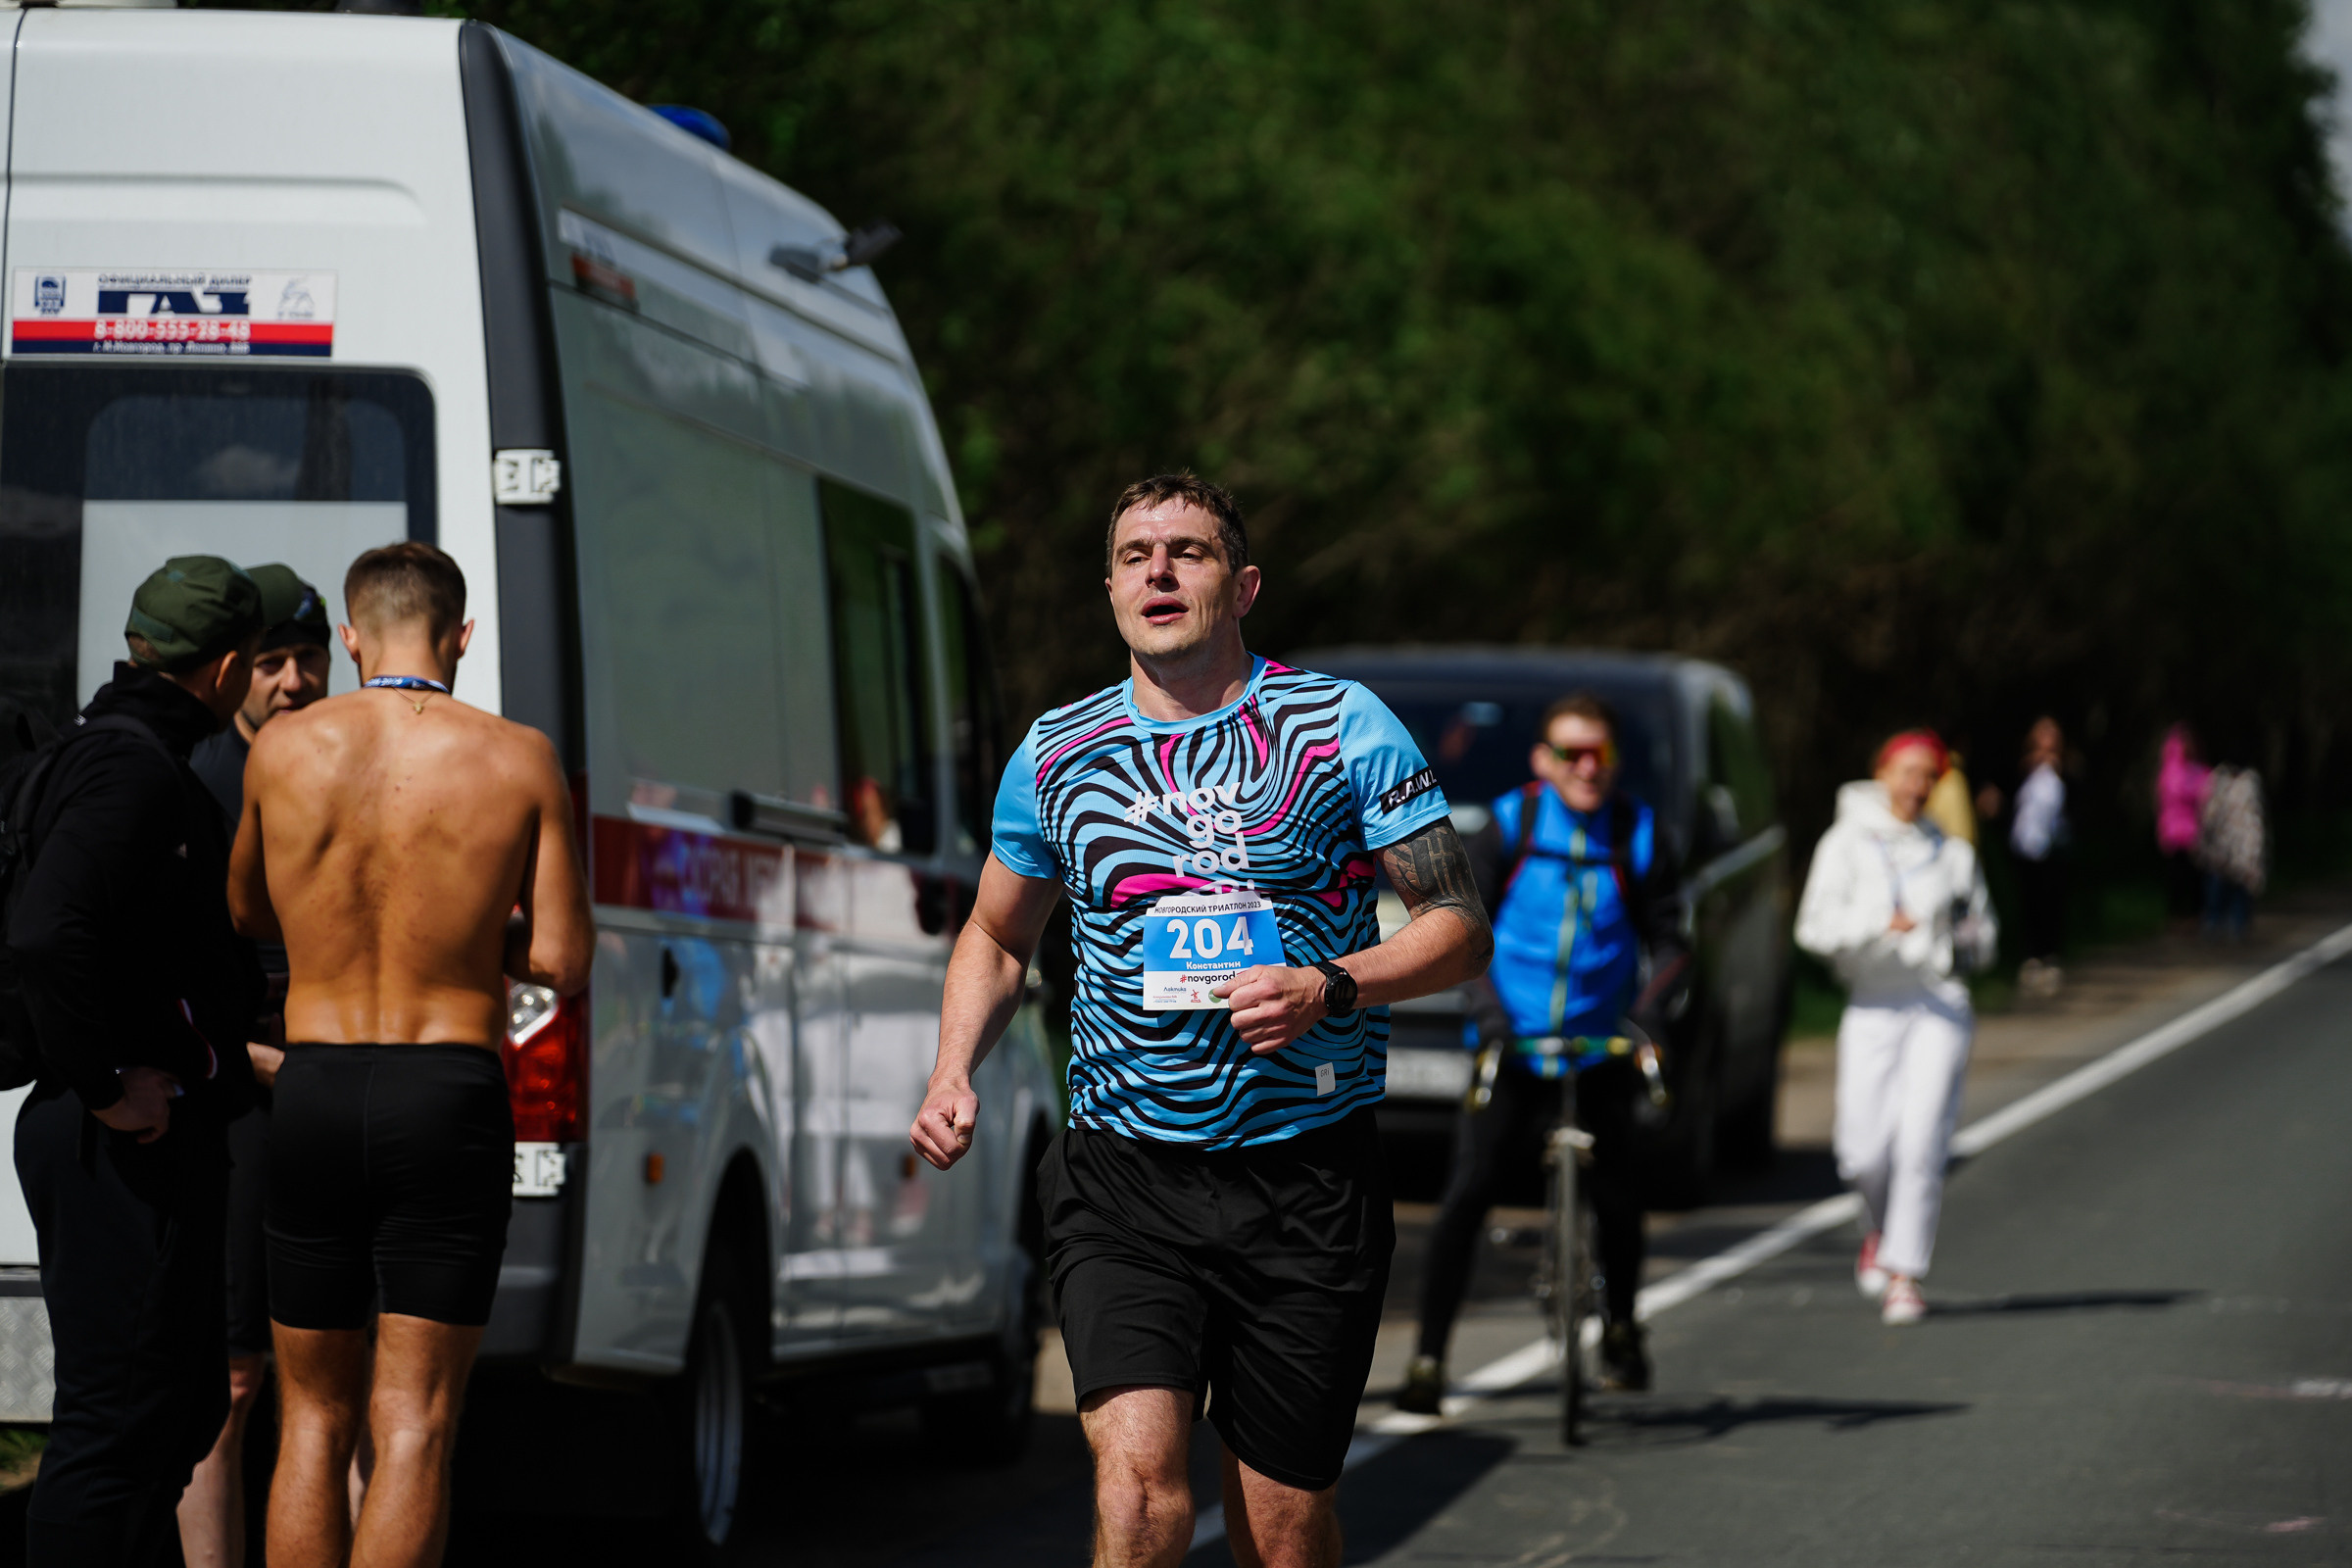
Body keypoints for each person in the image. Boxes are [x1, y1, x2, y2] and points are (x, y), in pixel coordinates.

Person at [907, 473, 1491, 1568]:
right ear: (1112, 588)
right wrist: (952, 1070)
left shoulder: (1336, 724)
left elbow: (1458, 924)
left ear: (1244, 584)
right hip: (1125, 1178)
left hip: (1305, 1177)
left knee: (1279, 1524)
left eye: (1189, 551)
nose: (1159, 572)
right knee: (1138, 1502)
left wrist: (1333, 983)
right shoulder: (1057, 753)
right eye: (1135, 555)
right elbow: (994, 937)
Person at [230, 542, 593, 1568]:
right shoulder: (519, 756)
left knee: (309, 1417)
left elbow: (248, 907)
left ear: (349, 637)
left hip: (314, 1082)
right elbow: (562, 958)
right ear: (461, 636)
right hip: (446, 1090)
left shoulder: (282, 750)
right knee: (417, 1418)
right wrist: (472, 927)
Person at [6, 556, 266, 1566]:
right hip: (116, 1139)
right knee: (113, 1428)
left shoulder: (116, 751)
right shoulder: (130, 770)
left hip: (136, 1131)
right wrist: (111, 1087)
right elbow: (44, 936)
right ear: (230, 664)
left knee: (178, 1408)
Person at [1397, 692, 1688, 1414]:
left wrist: (1648, 1017)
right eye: (1571, 753)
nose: (1587, 767)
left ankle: (1621, 1329)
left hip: (1599, 1044)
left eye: (1601, 753)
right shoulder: (1510, 823)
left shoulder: (1639, 832)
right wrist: (1490, 1015)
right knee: (1466, 1198)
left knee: (1620, 1199)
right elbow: (1460, 927)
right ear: (1543, 761)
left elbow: (1672, 941)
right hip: (1513, 1042)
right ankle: (1429, 1361)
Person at [179, 564, 331, 1568]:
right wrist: (252, 1057)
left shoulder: (356, 766)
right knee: (230, 1382)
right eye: (270, 662)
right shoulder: (194, 784)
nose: (291, 682)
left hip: (335, 1100)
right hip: (237, 1103)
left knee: (337, 1381)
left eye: (307, 659)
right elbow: (165, 977)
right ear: (236, 670)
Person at [1795, 730, 1995, 1326]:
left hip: (1937, 1006)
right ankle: (1878, 1230)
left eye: (1928, 776)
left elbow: (1985, 940)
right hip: (1871, 1003)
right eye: (1907, 772)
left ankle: (1904, 1274)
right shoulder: (1845, 842)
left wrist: (1966, 939)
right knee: (1862, 1151)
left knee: (1920, 1141)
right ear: (1881, 772)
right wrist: (1881, 922)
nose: (1917, 786)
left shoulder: (1953, 854)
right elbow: (1813, 929)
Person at [2007, 716, 2068, 996]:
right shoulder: (2024, 768)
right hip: (2025, 849)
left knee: (2051, 903)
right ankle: (2030, 959)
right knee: (2028, 903)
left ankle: (2049, 957)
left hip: (2052, 850)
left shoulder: (2065, 770)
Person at [2197, 762, 2267, 942]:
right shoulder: (2218, 782)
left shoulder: (2248, 783)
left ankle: (2237, 926)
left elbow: (2254, 818)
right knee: (2218, 886)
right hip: (2222, 844)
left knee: (2239, 888)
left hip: (2241, 844)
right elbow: (2210, 815)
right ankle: (2216, 923)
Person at [2155, 725, 2213, 922]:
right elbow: (2177, 792)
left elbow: (2208, 793)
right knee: (2176, 878)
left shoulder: (2200, 769)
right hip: (2174, 832)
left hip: (2195, 832)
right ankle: (2176, 915)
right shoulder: (2171, 770)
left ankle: (2196, 914)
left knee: (2196, 877)